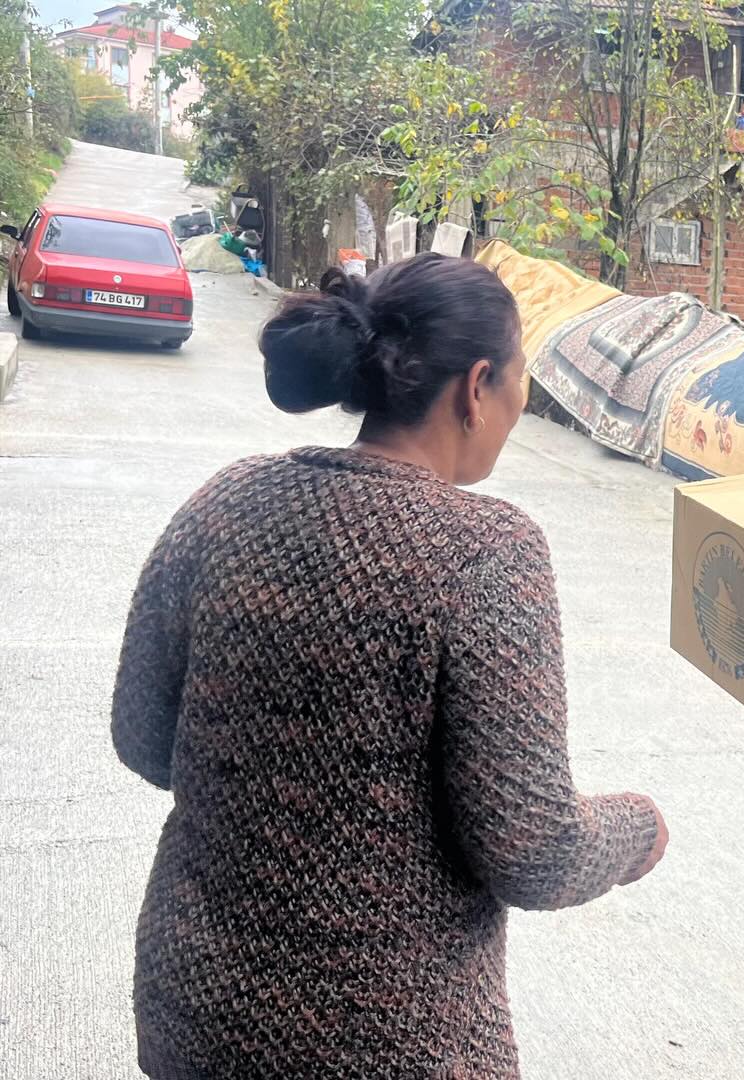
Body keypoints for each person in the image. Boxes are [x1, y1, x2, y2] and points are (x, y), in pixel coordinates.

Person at [110, 252, 667, 1079]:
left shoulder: (226, 500)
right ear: (477, 386)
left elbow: (145, 740)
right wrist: (638, 827)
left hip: (195, 1007)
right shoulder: (486, 550)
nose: (520, 403)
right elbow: (533, 851)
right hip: (383, 1042)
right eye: (521, 377)